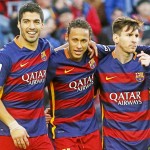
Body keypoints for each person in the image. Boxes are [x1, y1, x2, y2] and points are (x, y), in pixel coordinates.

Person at [46, 19, 116, 150]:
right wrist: (37, 112)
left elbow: (124, 50)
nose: (79, 46)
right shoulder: (54, 61)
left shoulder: (94, 54)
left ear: (90, 40)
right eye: (75, 40)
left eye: (83, 41)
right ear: (66, 38)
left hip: (90, 130)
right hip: (63, 132)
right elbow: (33, 87)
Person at [0, 2, 54, 150]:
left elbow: (64, 57)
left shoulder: (45, 48)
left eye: (36, 22)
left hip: (39, 133)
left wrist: (94, 45)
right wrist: (13, 125)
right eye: (26, 21)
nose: (31, 26)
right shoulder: (5, 56)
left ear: (42, 25)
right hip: (10, 134)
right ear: (18, 24)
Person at [96, 17, 150, 149]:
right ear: (116, 38)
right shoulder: (102, 66)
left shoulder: (145, 63)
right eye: (129, 35)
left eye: (136, 35)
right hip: (114, 143)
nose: (134, 39)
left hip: (143, 143)